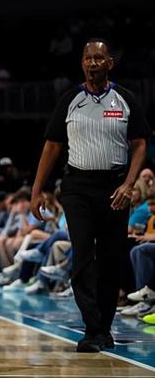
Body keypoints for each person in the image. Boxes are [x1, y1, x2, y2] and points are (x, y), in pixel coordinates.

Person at [31, 39, 150, 353]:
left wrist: (129, 184)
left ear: (110, 63)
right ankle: (93, 328)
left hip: (115, 187)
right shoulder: (70, 100)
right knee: (82, 255)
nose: (93, 63)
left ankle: (104, 327)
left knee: (111, 259)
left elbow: (140, 143)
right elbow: (52, 146)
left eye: (99, 58)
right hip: (78, 187)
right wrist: (37, 189)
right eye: (87, 58)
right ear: (82, 63)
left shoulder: (125, 99)